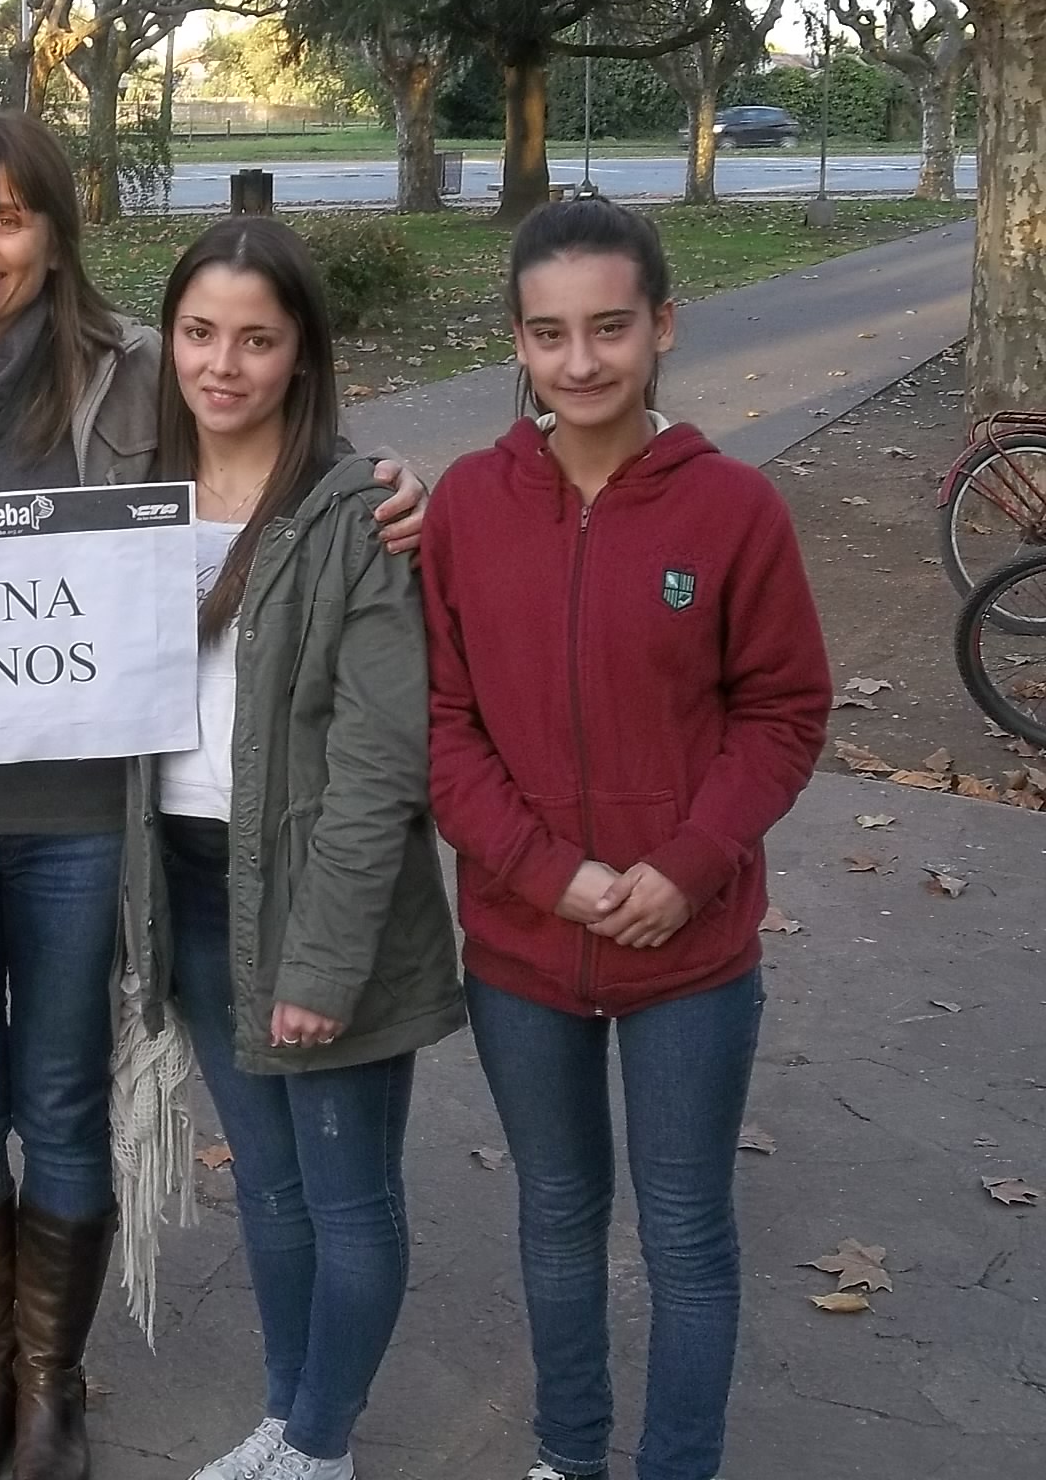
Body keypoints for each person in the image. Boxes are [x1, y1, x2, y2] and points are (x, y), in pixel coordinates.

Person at [0, 113, 427, 1480]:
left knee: (65, 1099)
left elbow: (268, 435)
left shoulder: (132, 371)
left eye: (8, 216)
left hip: (89, 823)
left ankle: (54, 1381)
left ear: (54, 236)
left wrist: (388, 486)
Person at [421, 197, 831, 1480]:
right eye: (548, 333)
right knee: (555, 1217)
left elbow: (781, 712)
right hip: (521, 950)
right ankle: (567, 1454)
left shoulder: (732, 511)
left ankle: (676, 1464)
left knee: (685, 1231)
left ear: (662, 326)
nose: (580, 360)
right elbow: (441, 726)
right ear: (516, 342)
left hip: (688, 953)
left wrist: (686, 868)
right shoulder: (465, 509)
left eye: (608, 327)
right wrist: (548, 875)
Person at [115, 216, 464, 1480]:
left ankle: (318, 1447)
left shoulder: (355, 513)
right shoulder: (131, 502)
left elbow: (379, 765)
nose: (222, 364)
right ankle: (284, 1417)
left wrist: (321, 963)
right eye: (198, 333)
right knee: (265, 1186)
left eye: (255, 340)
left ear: (300, 353)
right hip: (191, 889)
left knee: (345, 1194)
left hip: (320, 900)